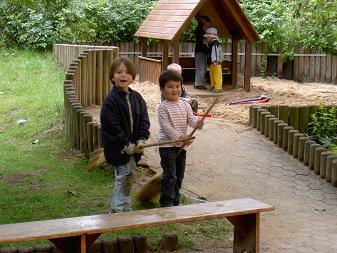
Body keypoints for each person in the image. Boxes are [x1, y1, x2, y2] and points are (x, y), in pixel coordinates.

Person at [100, 57, 150, 213]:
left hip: (134, 148)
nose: (124, 75)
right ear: (112, 77)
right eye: (119, 72)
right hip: (119, 149)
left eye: (128, 72)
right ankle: (119, 209)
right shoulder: (110, 101)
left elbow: (144, 120)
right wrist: (125, 143)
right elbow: (111, 127)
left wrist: (142, 138)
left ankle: (120, 208)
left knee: (128, 176)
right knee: (124, 176)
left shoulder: (137, 98)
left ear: (133, 77)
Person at [157, 70, 204, 207]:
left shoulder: (185, 104)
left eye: (178, 86)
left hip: (181, 146)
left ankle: (176, 200)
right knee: (170, 175)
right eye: (170, 86)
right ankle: (166, 201)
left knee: (179, 174)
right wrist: (181, 137)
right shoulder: (162, 107)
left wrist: (198, 123)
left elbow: (191, 120)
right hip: (167, 146)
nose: (175, 89)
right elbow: (166, 127)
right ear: (162, 89)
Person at [204, 27, 224, 93]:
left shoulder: (215, 44)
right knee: (212, 74)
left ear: (211, 37)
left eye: (207, 37)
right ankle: (213, 85)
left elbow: (214, 52)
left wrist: (215, 60)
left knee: (217, 75)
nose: (207, 38)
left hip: (216, 62)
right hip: (212, 62)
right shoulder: (211, 44)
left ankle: (218, 87)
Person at [194, 16, 210, 90]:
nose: (208, 27)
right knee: (201, 68)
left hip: (202, 52)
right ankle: (199, 84)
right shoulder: (200, 33)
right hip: (200, 52)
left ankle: (198, 83)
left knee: (202, 68)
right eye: (207, 25)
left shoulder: (203, 33)